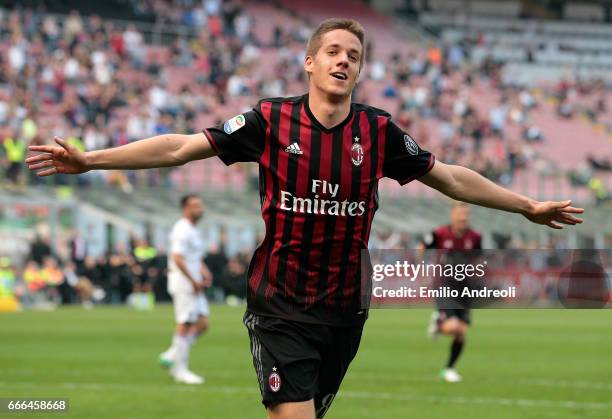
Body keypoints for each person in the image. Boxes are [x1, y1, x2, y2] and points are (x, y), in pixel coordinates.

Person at [25, 18, 584, 419]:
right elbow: (179, 148)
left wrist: (527, 205)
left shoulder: (378, 132)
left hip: (345, 309)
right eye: (335, 51)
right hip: (280, 304)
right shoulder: (270, 120)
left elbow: (452, 177)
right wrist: (91, 159)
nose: (345, 60)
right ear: (311, 62)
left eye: (355, 56)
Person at [422, 201, 481, 383]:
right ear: (453, 214)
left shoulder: (475, 237)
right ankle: (439, 323)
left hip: (464, 289)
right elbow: (422, 249)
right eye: (460, 213)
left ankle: (449, 369)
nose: (463, 217)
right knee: (454, 326)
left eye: (466, 214)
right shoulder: (439, 234)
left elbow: (478, 259)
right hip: (443, 286)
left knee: (461, 331)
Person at [158, 194, 212, 384]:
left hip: (195, 283)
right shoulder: (181, 229)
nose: (200, 208)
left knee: (203, 324)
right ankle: (180, 370)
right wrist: (192, 279)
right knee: (185, 323)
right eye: (195, 205)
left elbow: (194, 257)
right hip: (184, 284)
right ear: (185, 209)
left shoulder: (193, 230)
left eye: (200, 205)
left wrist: (204, 272)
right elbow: (178, 258)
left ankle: (173, 354)